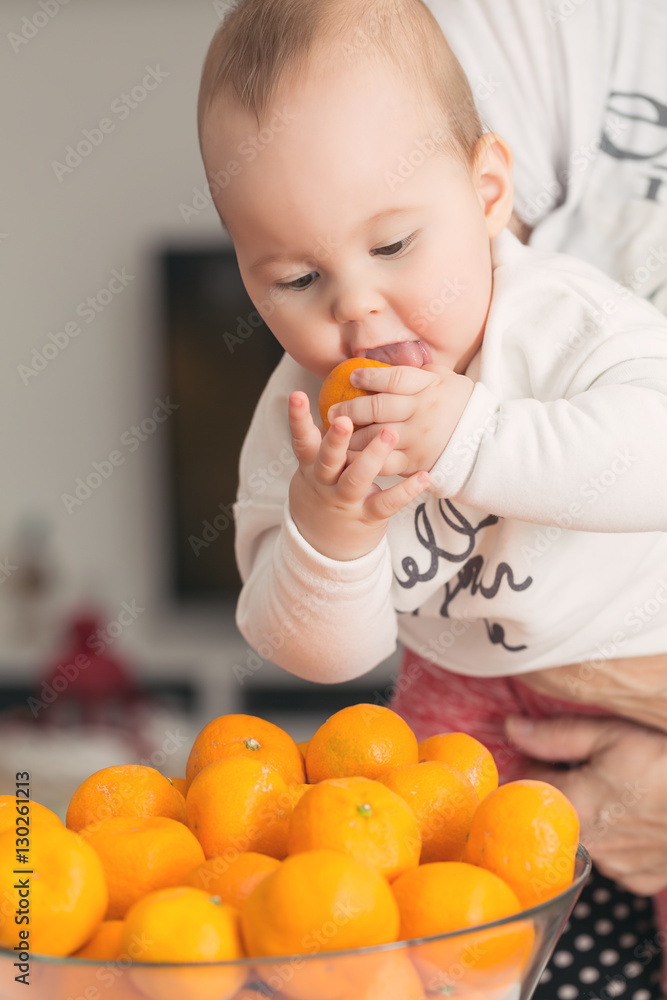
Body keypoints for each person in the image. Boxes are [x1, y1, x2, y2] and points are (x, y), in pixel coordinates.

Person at [196, 0, 667, 995]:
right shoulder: (299, 416)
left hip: (643, 655)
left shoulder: (564, 323)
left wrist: (470, 436)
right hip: (457, 686)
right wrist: (332, 533)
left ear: (487, 193)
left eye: (396, 245)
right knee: (447, 912)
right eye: (296, 277)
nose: (356, 308)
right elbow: (322, 652)